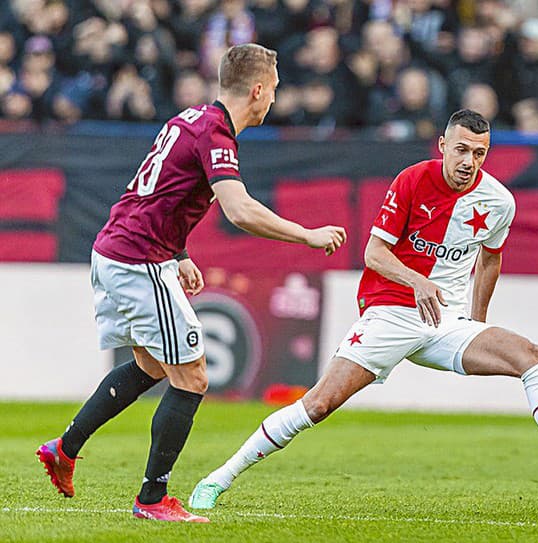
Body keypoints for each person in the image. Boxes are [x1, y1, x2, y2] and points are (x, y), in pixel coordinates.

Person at [188, 109, 538, 510]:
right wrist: (418, 281)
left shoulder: (500, 201)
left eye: (480, 154)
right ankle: (216, 479)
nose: (469, 162)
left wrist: (475, 322)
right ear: (443, 146)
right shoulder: (411, 180)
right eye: (461, 150)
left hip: (446, 323)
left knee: (532, 356)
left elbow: (491, 257)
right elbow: (374, 254)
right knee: (319, 404)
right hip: (391, 311)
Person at [35, 43, 347, 523]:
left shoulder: (191, 118)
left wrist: (179, 251)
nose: (274, 101)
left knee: (153, 366)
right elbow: (239, 210)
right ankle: (153, 500)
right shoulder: (217, 134)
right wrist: (306, 234)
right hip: (136, 259)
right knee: (193, 375)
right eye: (274, 91)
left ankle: (65, 448)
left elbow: (157, 191)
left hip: (120, 250)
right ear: (258, 90)